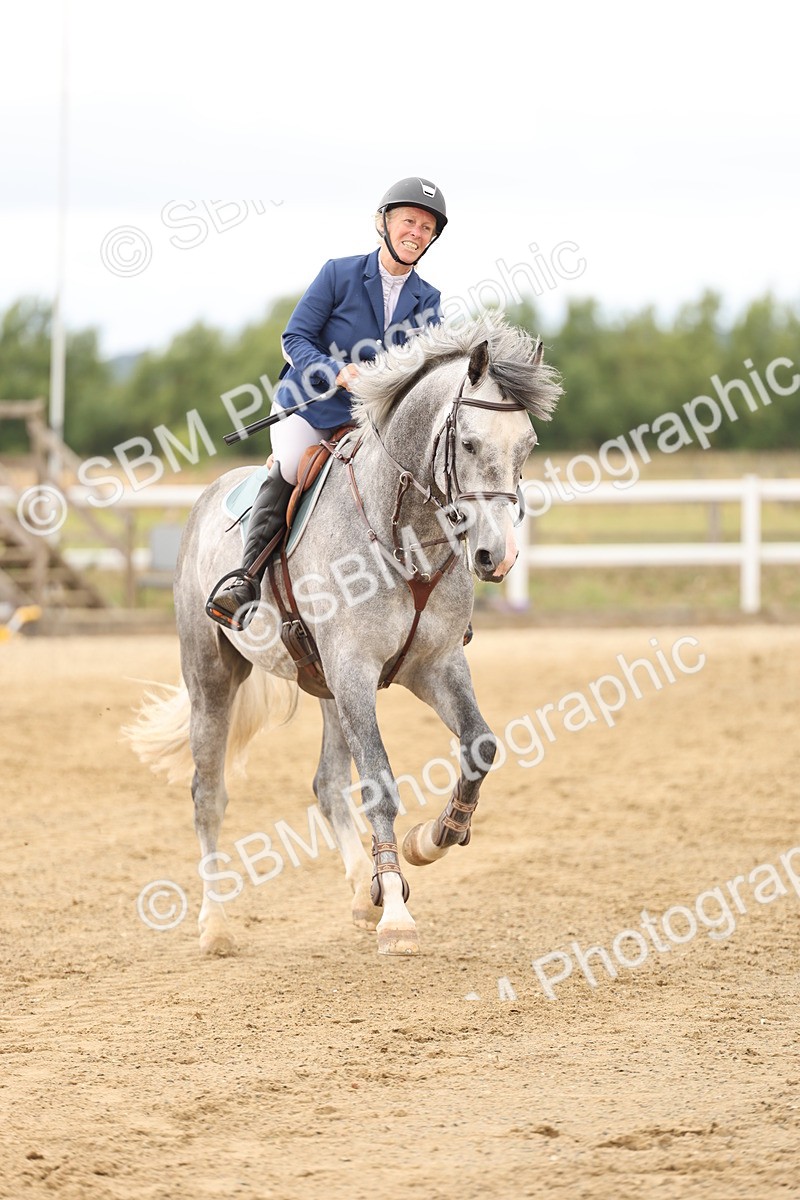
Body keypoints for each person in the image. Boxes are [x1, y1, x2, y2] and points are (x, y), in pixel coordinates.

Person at [207, 176, 448, 631]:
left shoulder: (428, 299)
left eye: (426, 228)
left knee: (415, 480)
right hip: (311, 409)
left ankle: (435, 598)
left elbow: (424, 369)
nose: (416, 233)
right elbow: (293, 337)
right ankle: (248, 579)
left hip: (372, 423)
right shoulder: (339, 274)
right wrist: (335, 372)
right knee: (295, 466)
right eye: (409, 221)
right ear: (384, 223)